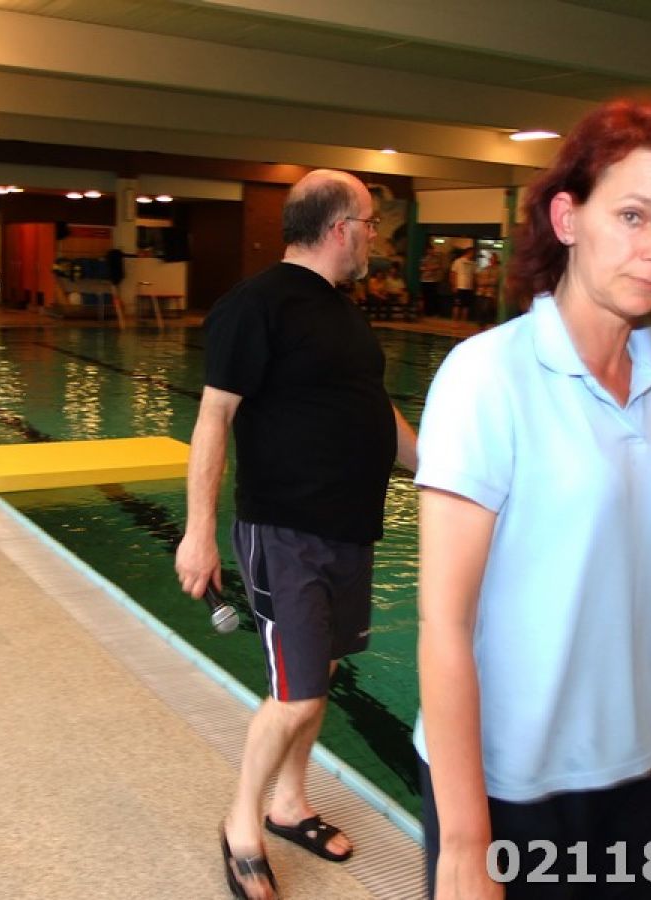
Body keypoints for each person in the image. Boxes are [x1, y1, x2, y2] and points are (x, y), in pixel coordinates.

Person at [415, 98, 651, 900]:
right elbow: (443, 623)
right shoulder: (487, 377)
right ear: (567, 218)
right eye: (634, 215)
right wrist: (465, 845)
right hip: (513, 786)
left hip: (643, 776)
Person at [175, 168, 417, 900]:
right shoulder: (255, 305)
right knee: (297, 693)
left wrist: (446, 469)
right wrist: (198, 532)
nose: (375, 236)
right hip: (284, 530)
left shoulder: (342, 312)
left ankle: (289, 803)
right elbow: (214, 418)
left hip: (348, 530)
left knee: (320, 676)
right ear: (340, 228)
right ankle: (242, 826)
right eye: (370, 223)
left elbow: (371, 409)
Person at [449, 245, 476, 323]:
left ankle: (463, 322)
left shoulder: (473, 263)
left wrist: (474, 286)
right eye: (472, 253)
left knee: (466, 306)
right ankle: (455, 322)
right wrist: (454, 285)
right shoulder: (458, 261)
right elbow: (453, 274)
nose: (473, 255)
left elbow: (474, 276)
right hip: (459, 287)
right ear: (468, 252)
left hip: (469, 288)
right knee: (457, 305)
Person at [474, 253, 501, 329]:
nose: (491, 260)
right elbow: (478, 280)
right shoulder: (485, 268)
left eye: (493, 259)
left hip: (490, 293)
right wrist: (485, 282)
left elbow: (495, 281)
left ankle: (485, 324)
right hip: (480, 292)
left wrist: (485, 282)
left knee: (486, 308)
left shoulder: (499, 270)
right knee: (479, 308)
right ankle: (480, 324)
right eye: (491, 259)